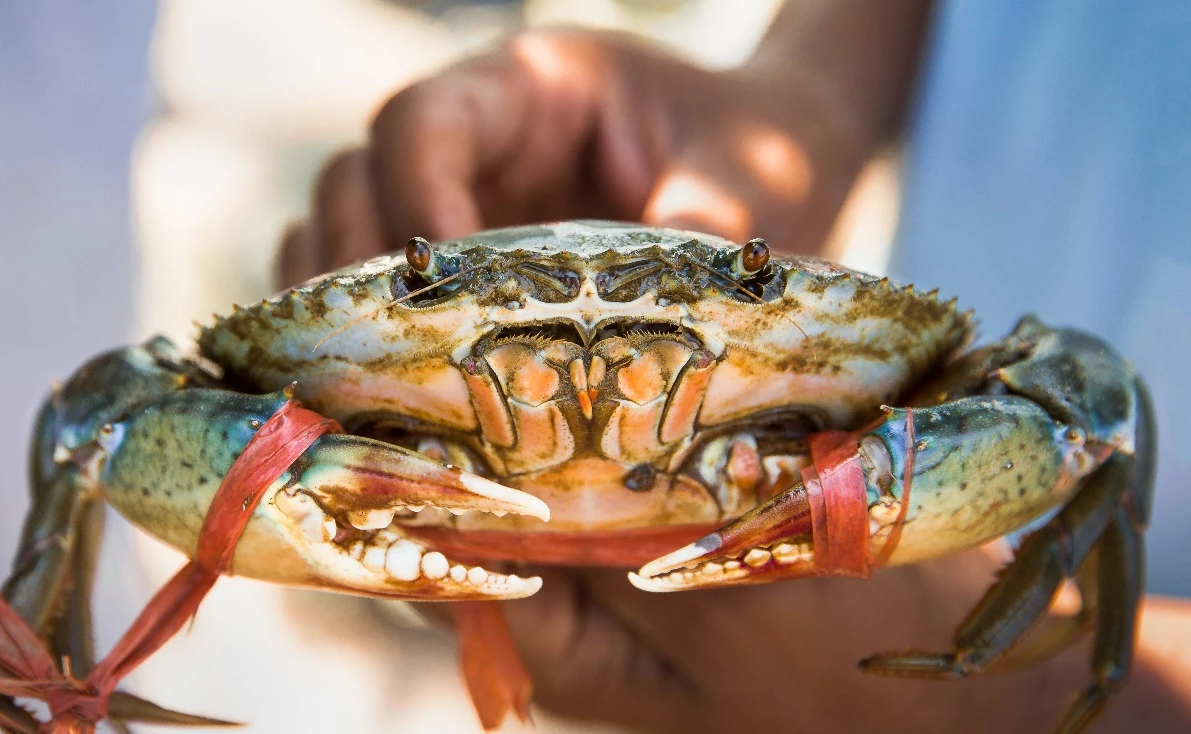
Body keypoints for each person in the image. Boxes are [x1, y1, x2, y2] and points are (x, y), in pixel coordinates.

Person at [280, 1, 1191, 731]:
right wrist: (805, 96)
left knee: (1081, 409)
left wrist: (1019, 698)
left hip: (975, 564)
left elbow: (1084, 417)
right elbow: (137, 414)